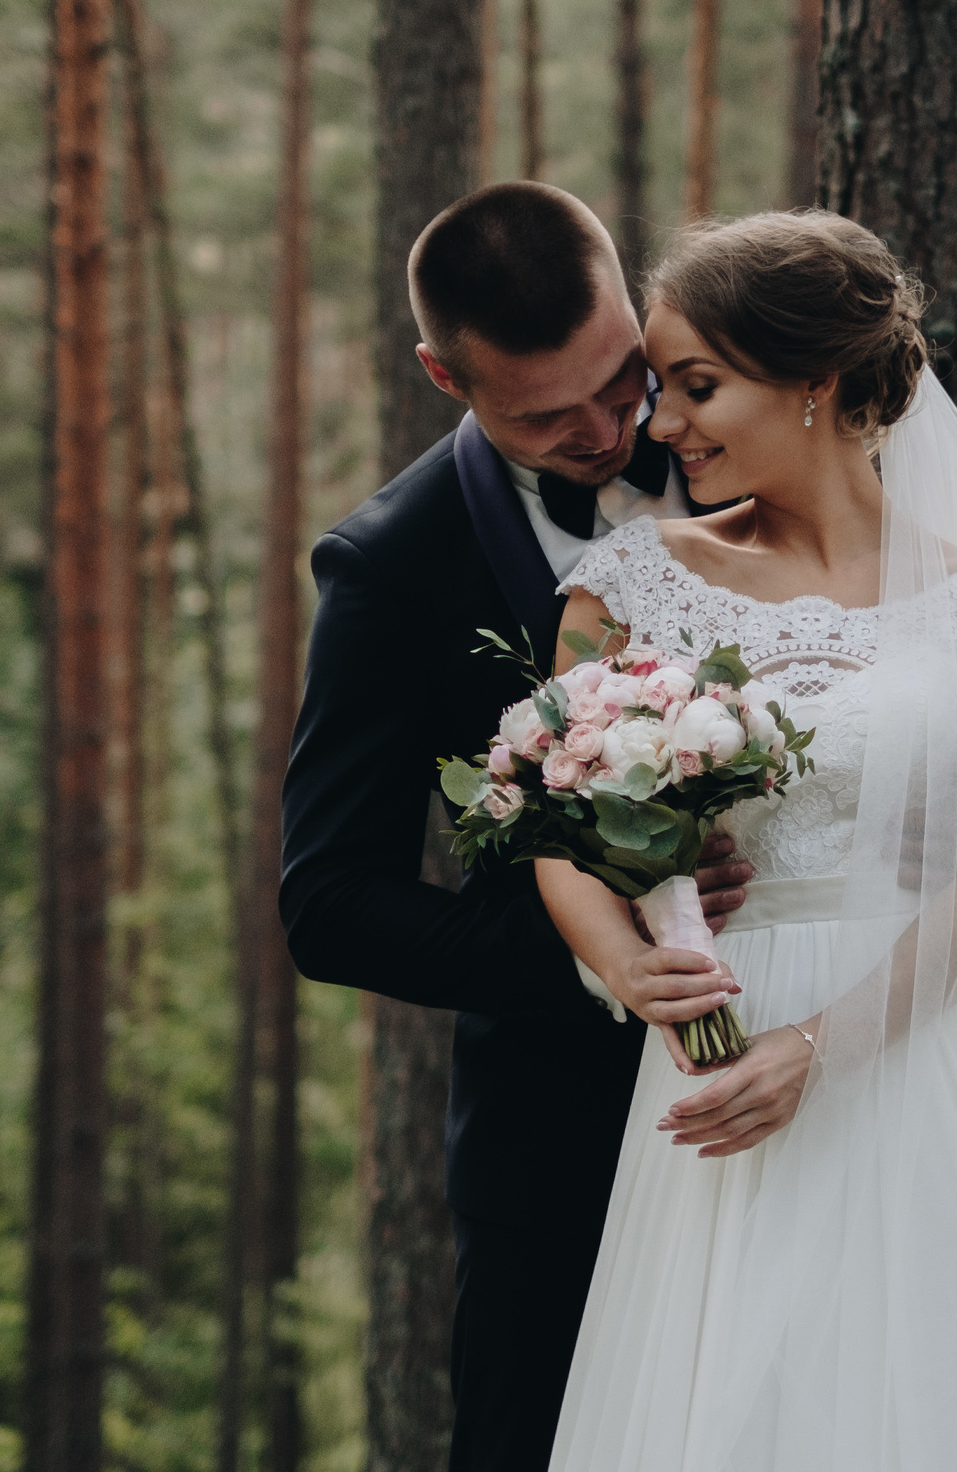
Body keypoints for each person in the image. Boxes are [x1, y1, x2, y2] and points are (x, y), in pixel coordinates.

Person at [537, 211, 957, 1471]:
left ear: (816, 382)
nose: (662, 425)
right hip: (717, 1047)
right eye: (662, 390)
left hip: (923, 1045)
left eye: (696, 385)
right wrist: (629, 967)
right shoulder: (630, 579)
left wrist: (818, 1048)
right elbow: (552, 818)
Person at [279, 181, 751, 1472]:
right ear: (445, 376)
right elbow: (328, 902)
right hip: (562, 1144)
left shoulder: (773, 444)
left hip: (820, 1080)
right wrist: (600, 954)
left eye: (622, 383)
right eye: (548, 415)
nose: (608, 430)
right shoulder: (391, 568)